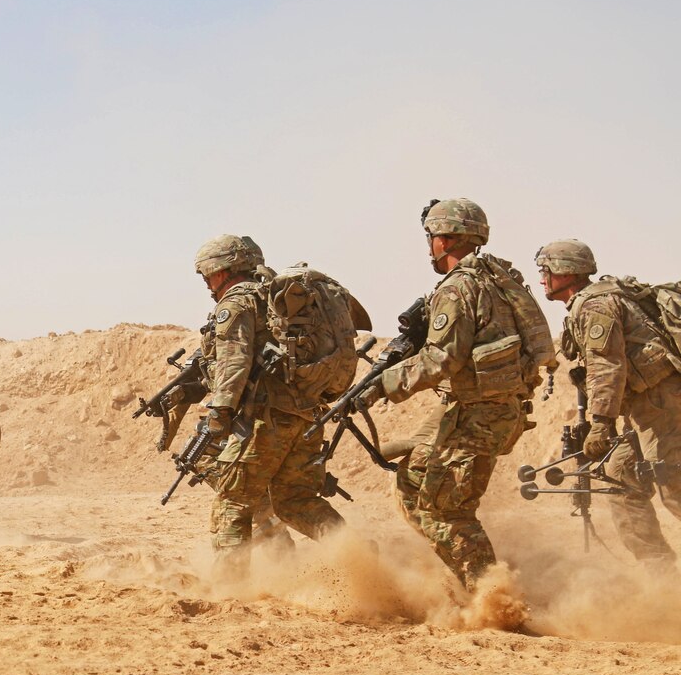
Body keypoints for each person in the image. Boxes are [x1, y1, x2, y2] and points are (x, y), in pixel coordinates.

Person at [358, 199, 544, 590]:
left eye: (432, 236)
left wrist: (380, 385)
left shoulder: (459, 287)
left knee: (447, 511)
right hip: (484, 408)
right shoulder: (492, 280)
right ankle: (463, 579)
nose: (429, 245)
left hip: (481, 412)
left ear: (448, 239)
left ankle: (491, 598)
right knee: (412, 483)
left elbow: (441, 359)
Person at [193, 234, 345, 580]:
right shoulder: (274, 298)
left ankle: (229, 586)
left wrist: (220, 412)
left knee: (233, 500)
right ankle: (361, 557)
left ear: (224, 269)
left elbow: (234, 362)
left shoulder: (237, 302)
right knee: (295, 500)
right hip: (305, 414)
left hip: (263, 419)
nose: (206, 283)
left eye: (208, 274)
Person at [535, 239, 681, 573]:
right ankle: (662, 577)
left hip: (662, 403)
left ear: (566, 272)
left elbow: (607, 367)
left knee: (673, 485)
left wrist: (601, 423)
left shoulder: (595, 306)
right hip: (643, 407)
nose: (542, 278)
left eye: (546, 271)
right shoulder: (588, 304)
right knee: (619, 476)